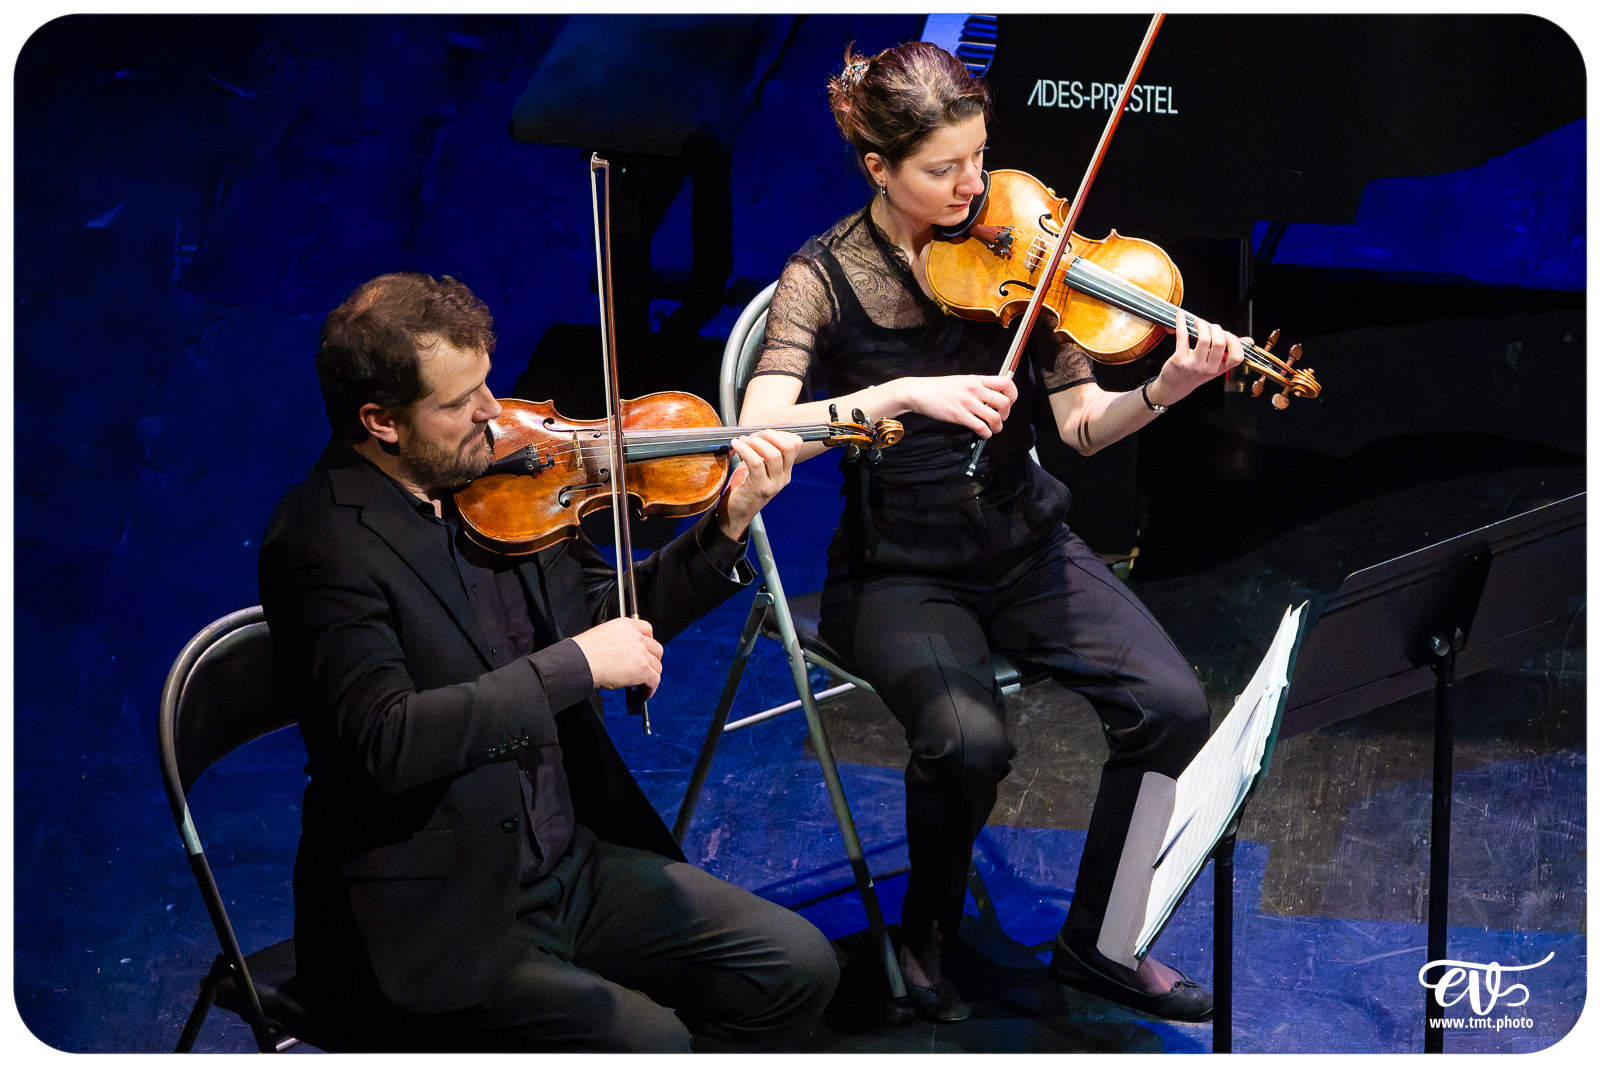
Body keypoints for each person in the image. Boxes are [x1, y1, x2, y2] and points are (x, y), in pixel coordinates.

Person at [740, 42, 1246, 1025]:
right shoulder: (824, 276)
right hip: (900, 572)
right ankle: (926, 930)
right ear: (879, 168)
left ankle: (1101, 938)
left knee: (1173, 706)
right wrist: (896, 391)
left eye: (978, 157)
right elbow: (764, 427)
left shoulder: (1020, 241)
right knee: (965, 739)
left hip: (1025, 547)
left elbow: (1083, 428)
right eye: (943, 169)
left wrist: (1165, 385)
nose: (974, 187)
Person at [259, 271, 836, 1051]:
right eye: (460, 403)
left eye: (487, 385)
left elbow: (606, 620)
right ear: (381, 421)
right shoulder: (322, 542)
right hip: (440, 910)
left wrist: (725, 526)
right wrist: (572, 666)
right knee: (649, 1042)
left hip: (569, 860)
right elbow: (384, 741)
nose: (494, 414)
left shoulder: (500, 485)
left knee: (795, 964)